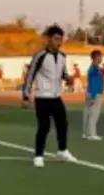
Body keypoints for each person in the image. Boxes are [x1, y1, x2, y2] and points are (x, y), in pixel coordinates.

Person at [22, 25, 77, 168]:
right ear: (49, 39)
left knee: (62, 124)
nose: (59, 42)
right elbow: (30, 75)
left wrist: (68, 78)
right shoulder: (40, 56)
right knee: (44, 127)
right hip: (42, 97)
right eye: (56, 39)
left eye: (61, 39)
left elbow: (63, 73)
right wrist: (26, 96)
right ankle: (38, 155)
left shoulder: (63, 56)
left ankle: (62, 150)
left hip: (56, 96)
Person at [82, 50, 104, 141]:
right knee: (94, 114)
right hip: (95, 94)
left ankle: (86, 133)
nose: (101, 59)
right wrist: (93, 96)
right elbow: (94, 83)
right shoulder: (95, 69)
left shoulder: (93, 68)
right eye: (100, 57)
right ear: (96, 58)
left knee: (87, 113)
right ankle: (92, 134)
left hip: (90, 92)